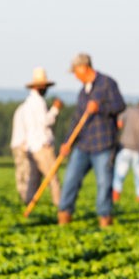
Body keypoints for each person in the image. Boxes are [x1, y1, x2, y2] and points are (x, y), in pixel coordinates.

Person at [58, 53, 125, 226]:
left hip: (103, 143)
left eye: (75, 72)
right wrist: (67, 143)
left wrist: (100, 108)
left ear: (83, 68)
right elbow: (76, 120)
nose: (75, 76)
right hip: (82, 144)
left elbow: (120, 105)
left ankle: (105, 217)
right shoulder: (83, 92)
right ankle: (64, 213)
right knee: (71, 179)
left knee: (104, 183)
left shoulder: (107, 83)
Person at [21, 67, 62, 206]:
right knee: (53, 179)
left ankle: (29, 205)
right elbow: (46, 121)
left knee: (34, 179)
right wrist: (55, 109)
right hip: (42, 147)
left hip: (32, 146)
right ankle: (61, 207)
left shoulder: (27, 103)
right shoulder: (38, 102)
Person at [112, 98, 139, 203]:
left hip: (124, 149)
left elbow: (119, 124)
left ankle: (114, 201)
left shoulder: (129, 111)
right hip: (138, 151)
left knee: (119, 176)